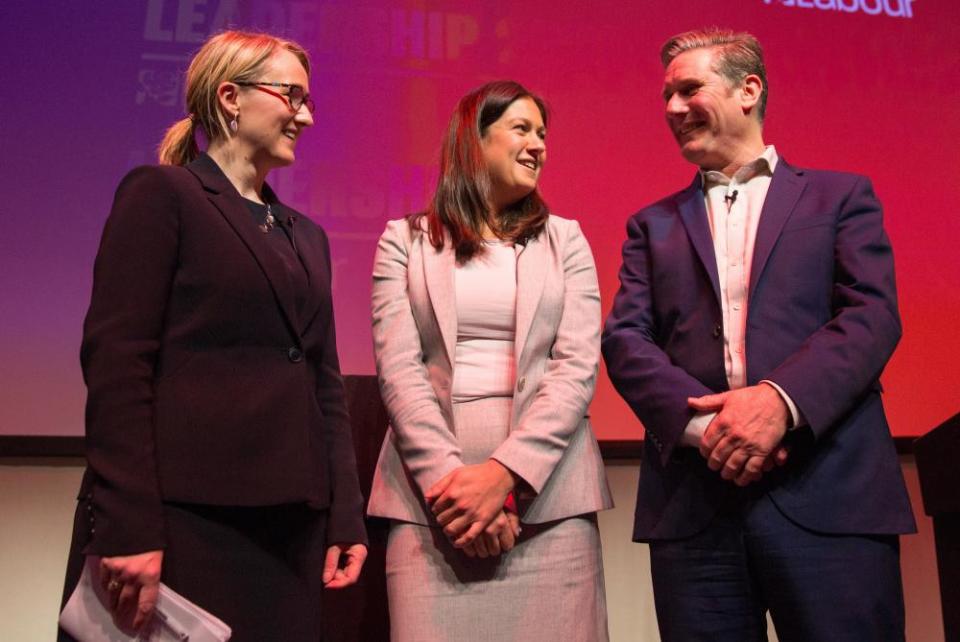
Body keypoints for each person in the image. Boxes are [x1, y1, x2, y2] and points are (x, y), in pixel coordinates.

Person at [602, 28, 916, 642]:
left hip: (831, 499)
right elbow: (626, 341)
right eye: (665, 95)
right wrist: (710, 430)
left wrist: (777, 403)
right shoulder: (651, 225)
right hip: (696, 513)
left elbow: (871, 315)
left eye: (688, 89)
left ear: (748, 90)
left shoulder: (841, 196)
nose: (671, 108)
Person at [59, 30, 367, 641]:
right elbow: (119, 365)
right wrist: (129, 525)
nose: (306, 115)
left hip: (288, 532)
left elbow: (323, 383)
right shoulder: (163, 196)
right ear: (230, 97)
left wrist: (344, 516)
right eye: (291, 96)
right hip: (182, 524)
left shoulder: (308, 235)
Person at [367, 80, 613, 640]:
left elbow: (576, 369)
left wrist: (503, 479)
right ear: (473, 142)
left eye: (543, 134)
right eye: (521, 129)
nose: (539, 145)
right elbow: (400, 372)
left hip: (548, 498)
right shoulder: (403, 241)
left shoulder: (567, 241)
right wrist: (454, 490)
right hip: (432, 503)